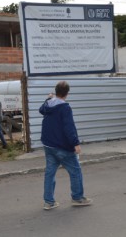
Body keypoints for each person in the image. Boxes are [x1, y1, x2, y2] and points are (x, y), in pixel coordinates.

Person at [39, 81, 92, 210]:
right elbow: (69, 127)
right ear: (67, 93)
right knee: (75, 171)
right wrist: (76, 144)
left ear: (56, 91)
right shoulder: (65, 108)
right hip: (62, 146)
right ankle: (77, 198)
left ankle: (49, 202)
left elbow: (41, 110)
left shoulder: (48, 104)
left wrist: (48, 98)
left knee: (50, 173)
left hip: (48, 145)